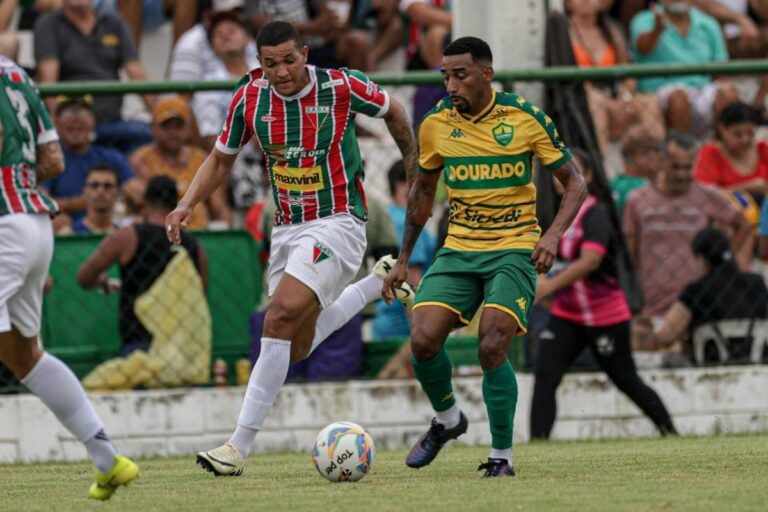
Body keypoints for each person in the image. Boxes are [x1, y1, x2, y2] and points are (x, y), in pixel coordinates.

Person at [165, 21, 418, 476]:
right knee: (294, 346)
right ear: (258, 63)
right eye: (269, 63)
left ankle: (236, 448)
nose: (281, 72)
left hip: (339, 222)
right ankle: (372, 283)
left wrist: (416, 172)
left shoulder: (340, 86)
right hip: (287, 229)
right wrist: (186, 204)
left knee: (276, 318)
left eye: (289, 60)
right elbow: (221, 158)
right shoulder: (249, 96)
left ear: (304, 54)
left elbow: (395, 111)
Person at [382, 36, 588, 477]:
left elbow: (576, 184)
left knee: (492, 343)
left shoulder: (524, 117)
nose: (451, 85)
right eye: (445, 76)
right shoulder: (435, 124)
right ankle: (449, 420)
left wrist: (551, 235)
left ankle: (502, 457)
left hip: (514, 248)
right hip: (459, 248)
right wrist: (403, 259)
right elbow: (421, 193)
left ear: (486, 75)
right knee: (421, 338)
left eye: (461, 75)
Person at [0, 56, 138, 500]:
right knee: (24, 356)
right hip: (35, 223)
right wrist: (17, 179)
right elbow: (54, 159)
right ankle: (107, 460)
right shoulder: (17, 74)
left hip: (4, 224)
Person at [530, 148, 677, 439]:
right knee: (546, 376)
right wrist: (542, 283)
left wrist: (548, 287)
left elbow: (590, 261)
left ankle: (670, 432)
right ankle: (538, 444)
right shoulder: (552, 214)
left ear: (588, 177)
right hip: (567, 314)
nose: (563, 177)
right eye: (560, 170)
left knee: (625, 379)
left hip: (604, 315)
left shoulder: (595, 213)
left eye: (573, 169)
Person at [624, 132, 751, 331]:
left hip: (698, 305)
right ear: (661, 161)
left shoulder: (707, 196)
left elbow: (743, 225)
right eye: (675, 167)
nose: (682, 174)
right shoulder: (637, 200)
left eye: (688, 167)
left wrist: (724, 263)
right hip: (653, 307)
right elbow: (629, 255)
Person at [77, 176, 208, 357]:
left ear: (144, 204)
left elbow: (84, 277)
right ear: (176, 205)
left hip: (139, 347)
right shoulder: (194, 246)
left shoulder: (126, 237)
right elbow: (201, 294)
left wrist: (102, 281)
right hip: (183, 350)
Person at [33, 0, 155, 154]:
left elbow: (136, 71)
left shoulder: (114, 22)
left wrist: (158, 114)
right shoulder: (49, 23)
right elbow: (48, 80)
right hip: (73, 125)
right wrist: (56, 124)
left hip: (112, 121)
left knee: (147, 136)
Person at [566, 0, 664, 162]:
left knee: (650, 101)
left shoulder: (612, 31)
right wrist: (604, 100)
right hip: (584, 101)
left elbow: (629, 71)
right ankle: (601, 172)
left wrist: (624, 97)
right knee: (596, 103)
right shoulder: (564, 32)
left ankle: (655, 166)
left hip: (617, 97)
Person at [653, 226, 768, 358]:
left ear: (701, 259)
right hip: (757, 363)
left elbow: (666, 336)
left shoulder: (695, 291)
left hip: (710, 365)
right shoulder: (755, 283)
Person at [630, 0, 740, 134]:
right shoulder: (643, 19)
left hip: (702, 89)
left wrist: (726, 90)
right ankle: (680, 150)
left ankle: (719, 150)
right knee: (679, 98)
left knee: (728, 94)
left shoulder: (708, 23)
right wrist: (657, 30)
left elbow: (722, 70)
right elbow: (642, 48)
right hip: (659, 91)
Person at [130, 96, 232, 229]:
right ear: (153, 128)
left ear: (188, 128)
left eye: (178, 126)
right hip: (159, 232)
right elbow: (145, 204)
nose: (173, 133)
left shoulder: (201, 159)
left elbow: (219, 206)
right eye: (166, 127)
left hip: (200, 232)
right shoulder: (141, 159)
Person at [44, 95, 142, 226]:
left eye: (83, 113)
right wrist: (80, 203)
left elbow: (139, 194)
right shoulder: (50, 159)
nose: (75, 118)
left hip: (107, 228)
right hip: (69, 230)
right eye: (68, 113)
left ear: (93, 121)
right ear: (56, 122)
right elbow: (42, 202)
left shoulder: (110, 157)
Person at [372, 160, 436, 341]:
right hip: (402, 323)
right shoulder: (408, 223)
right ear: (402, 185)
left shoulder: (389, 215)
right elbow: (411, 278)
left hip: (386, 318)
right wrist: (419, 331)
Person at [694, 101, 768, 199]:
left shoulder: (763, 149)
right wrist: (745, 189)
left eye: (750, 133)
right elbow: (703, 195)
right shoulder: (710, 154)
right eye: (738, 134)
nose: (745, 140)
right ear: (722, 129)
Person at [611, 125, 663, 217]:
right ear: (640, 156)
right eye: (657, 150)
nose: (662, 156)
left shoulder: (611, 185)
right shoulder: (645, 190)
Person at [67, 165, 121, 234]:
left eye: (107, 186)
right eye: (94, 185)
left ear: (118, 191)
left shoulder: (124, 236)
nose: (100, 191)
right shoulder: (68, 235)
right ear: (84, 191)